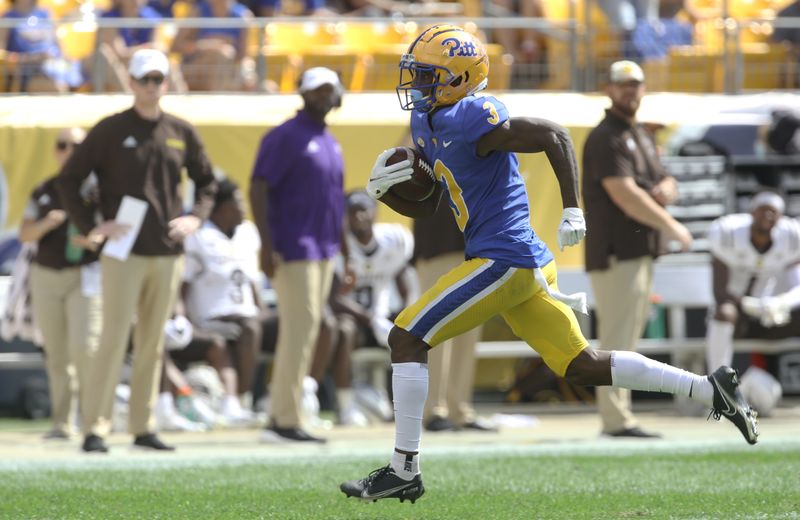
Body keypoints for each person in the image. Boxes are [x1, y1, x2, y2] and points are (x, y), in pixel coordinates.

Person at [339, 24, 758, 504]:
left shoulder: (475, 114)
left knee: (406, 335)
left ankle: (403, 468)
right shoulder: (427, 122)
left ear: (459, 78)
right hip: (510, 260)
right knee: (581, 366)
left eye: (427, 76)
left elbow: (553, 135)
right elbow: (434, 203)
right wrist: (389, 193)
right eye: (415, 74)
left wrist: (571, 208)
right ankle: (711, 389)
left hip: (506, 257)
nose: (416, 85)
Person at [56, 49, 218, 453]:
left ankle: (143, 426)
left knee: (152, 342)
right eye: (144, 79)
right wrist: (94, 226)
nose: (151, 87)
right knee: (112, 339)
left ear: (166, 82)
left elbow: (208, 182)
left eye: (158, 79)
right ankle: (95, 427)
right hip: (122, 253)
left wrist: (195, 217)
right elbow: (68, 179)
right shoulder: (110, 130)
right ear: (130, 83)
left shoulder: (181, 130)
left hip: (166, 252)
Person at [581, 60, 693, 439]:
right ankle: (615, 419)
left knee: (626, 339)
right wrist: (672, 225)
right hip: (616, 251)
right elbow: (625, 195)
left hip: (639, 250)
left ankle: (620, 415)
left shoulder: (640, 134)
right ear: (608, 89)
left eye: (635, 84)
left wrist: (668, 189)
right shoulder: (606, 137)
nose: (630, 90)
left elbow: (660, 180)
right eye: (622, 84)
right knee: (616, 339)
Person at [249, 66, 346, 443]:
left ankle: (288, 413)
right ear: (303, 93)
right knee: (298, 330)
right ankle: (282, 420)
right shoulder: (286, 136)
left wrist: (344, 254)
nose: (325, 96)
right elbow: (258, 187)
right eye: (318, 90)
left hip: (323, 249)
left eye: (330, 89)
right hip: (294, 247)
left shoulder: (328, 139)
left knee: (307, 329)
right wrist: (266, 244)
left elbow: (334, 200)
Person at [20, 127, 102, 440]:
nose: (68, 150)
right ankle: (62, 422)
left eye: (76, 145)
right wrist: (46, 224)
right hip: (47, 274)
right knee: (56, 352)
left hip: (85, 275)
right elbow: (25, 233)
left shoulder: (97, 190)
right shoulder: (44, 189)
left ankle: (93, 420)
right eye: (62, 145)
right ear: (55, 151)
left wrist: (94, 240)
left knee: (85, 347)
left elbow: (113, 230)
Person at [321, 190, 414, 426]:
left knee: (409, 331)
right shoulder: (340, 248)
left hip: (382, 318)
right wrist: (370, 318)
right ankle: (346, 406)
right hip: (358, 323)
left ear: (375, 212)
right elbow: (334, 299)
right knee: (345, 330)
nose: (359, 216)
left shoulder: (394, 241)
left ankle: (404, 408)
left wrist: (407, 314)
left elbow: (405, 286)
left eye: (364, 210)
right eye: (352, 212)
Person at [179, 178, 260, 425]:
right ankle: (241, 401)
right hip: (210, 318)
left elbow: (253, 279)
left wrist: (263, 310)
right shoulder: (199, 236)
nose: (243, 208)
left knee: (291, 326)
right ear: (220, 207)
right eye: (237, 202)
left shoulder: (248, 232)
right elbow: (182, 286)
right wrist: (184, 319)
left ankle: (290, 398)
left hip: (248, 312)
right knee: (249, 328)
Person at [414, 199, 495, 432]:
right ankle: (433, 410)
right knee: (437, 328)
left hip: (476, 243)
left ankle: (459, 408)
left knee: (469, 328)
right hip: (438, 240)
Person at [706, 191, 800, 376]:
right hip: (739, 315)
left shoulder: (791, 238)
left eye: (773, 211)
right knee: (724, 313)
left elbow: (798, 286)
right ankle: (718, 383)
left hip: (773, 315)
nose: (768, 215)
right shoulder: (728, 234)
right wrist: (751, 305)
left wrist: (781, 303)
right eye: (763, 209)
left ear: (781, 217)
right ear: (752, 213)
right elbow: (720, 292)